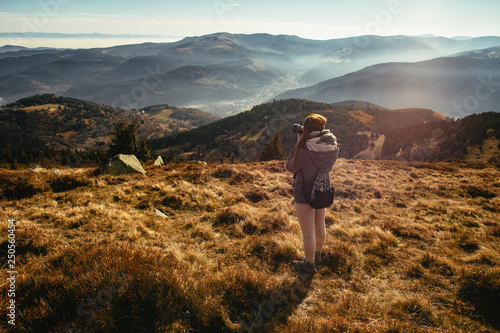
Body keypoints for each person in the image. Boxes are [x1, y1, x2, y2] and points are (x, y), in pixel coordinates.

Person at [286, 114, 339, 274]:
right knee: (319, 226)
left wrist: (299, 141)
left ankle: (309, 265)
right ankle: (317, 255)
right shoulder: (331, 145)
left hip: (304, 195)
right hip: (321, 191)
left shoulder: (304, 149)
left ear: (307, 130)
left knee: (308, 234)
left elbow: (290, 166)